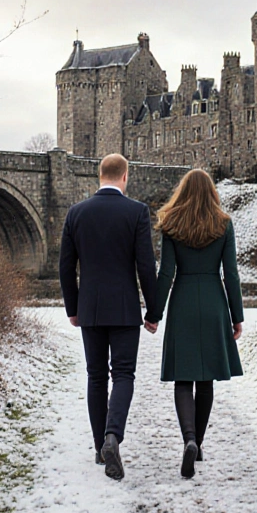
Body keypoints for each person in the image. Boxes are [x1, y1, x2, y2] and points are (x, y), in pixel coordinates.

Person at [59, 153, 157, 481]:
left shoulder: (76, 213)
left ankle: (99, 445)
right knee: (124, 374)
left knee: (96, 376)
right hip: (126, 308)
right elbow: (146, 266)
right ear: (125, 177)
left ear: (98, 176)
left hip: (90, 308)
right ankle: (113, 436)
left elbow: (65, 267)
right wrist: (153, 311)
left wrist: (73, 308)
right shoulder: (137, 212)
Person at [143, 168, 244, 479]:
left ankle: (188, 439)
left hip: (183, 301)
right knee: (206, 381)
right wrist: (236, 316)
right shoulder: (224, 224)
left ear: (182, 192)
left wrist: (154, 313)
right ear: (211, 193)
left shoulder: (171, 224)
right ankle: (198, 444)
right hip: (214, 302)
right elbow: (231, 274)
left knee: (183, 380)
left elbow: (166, 273)